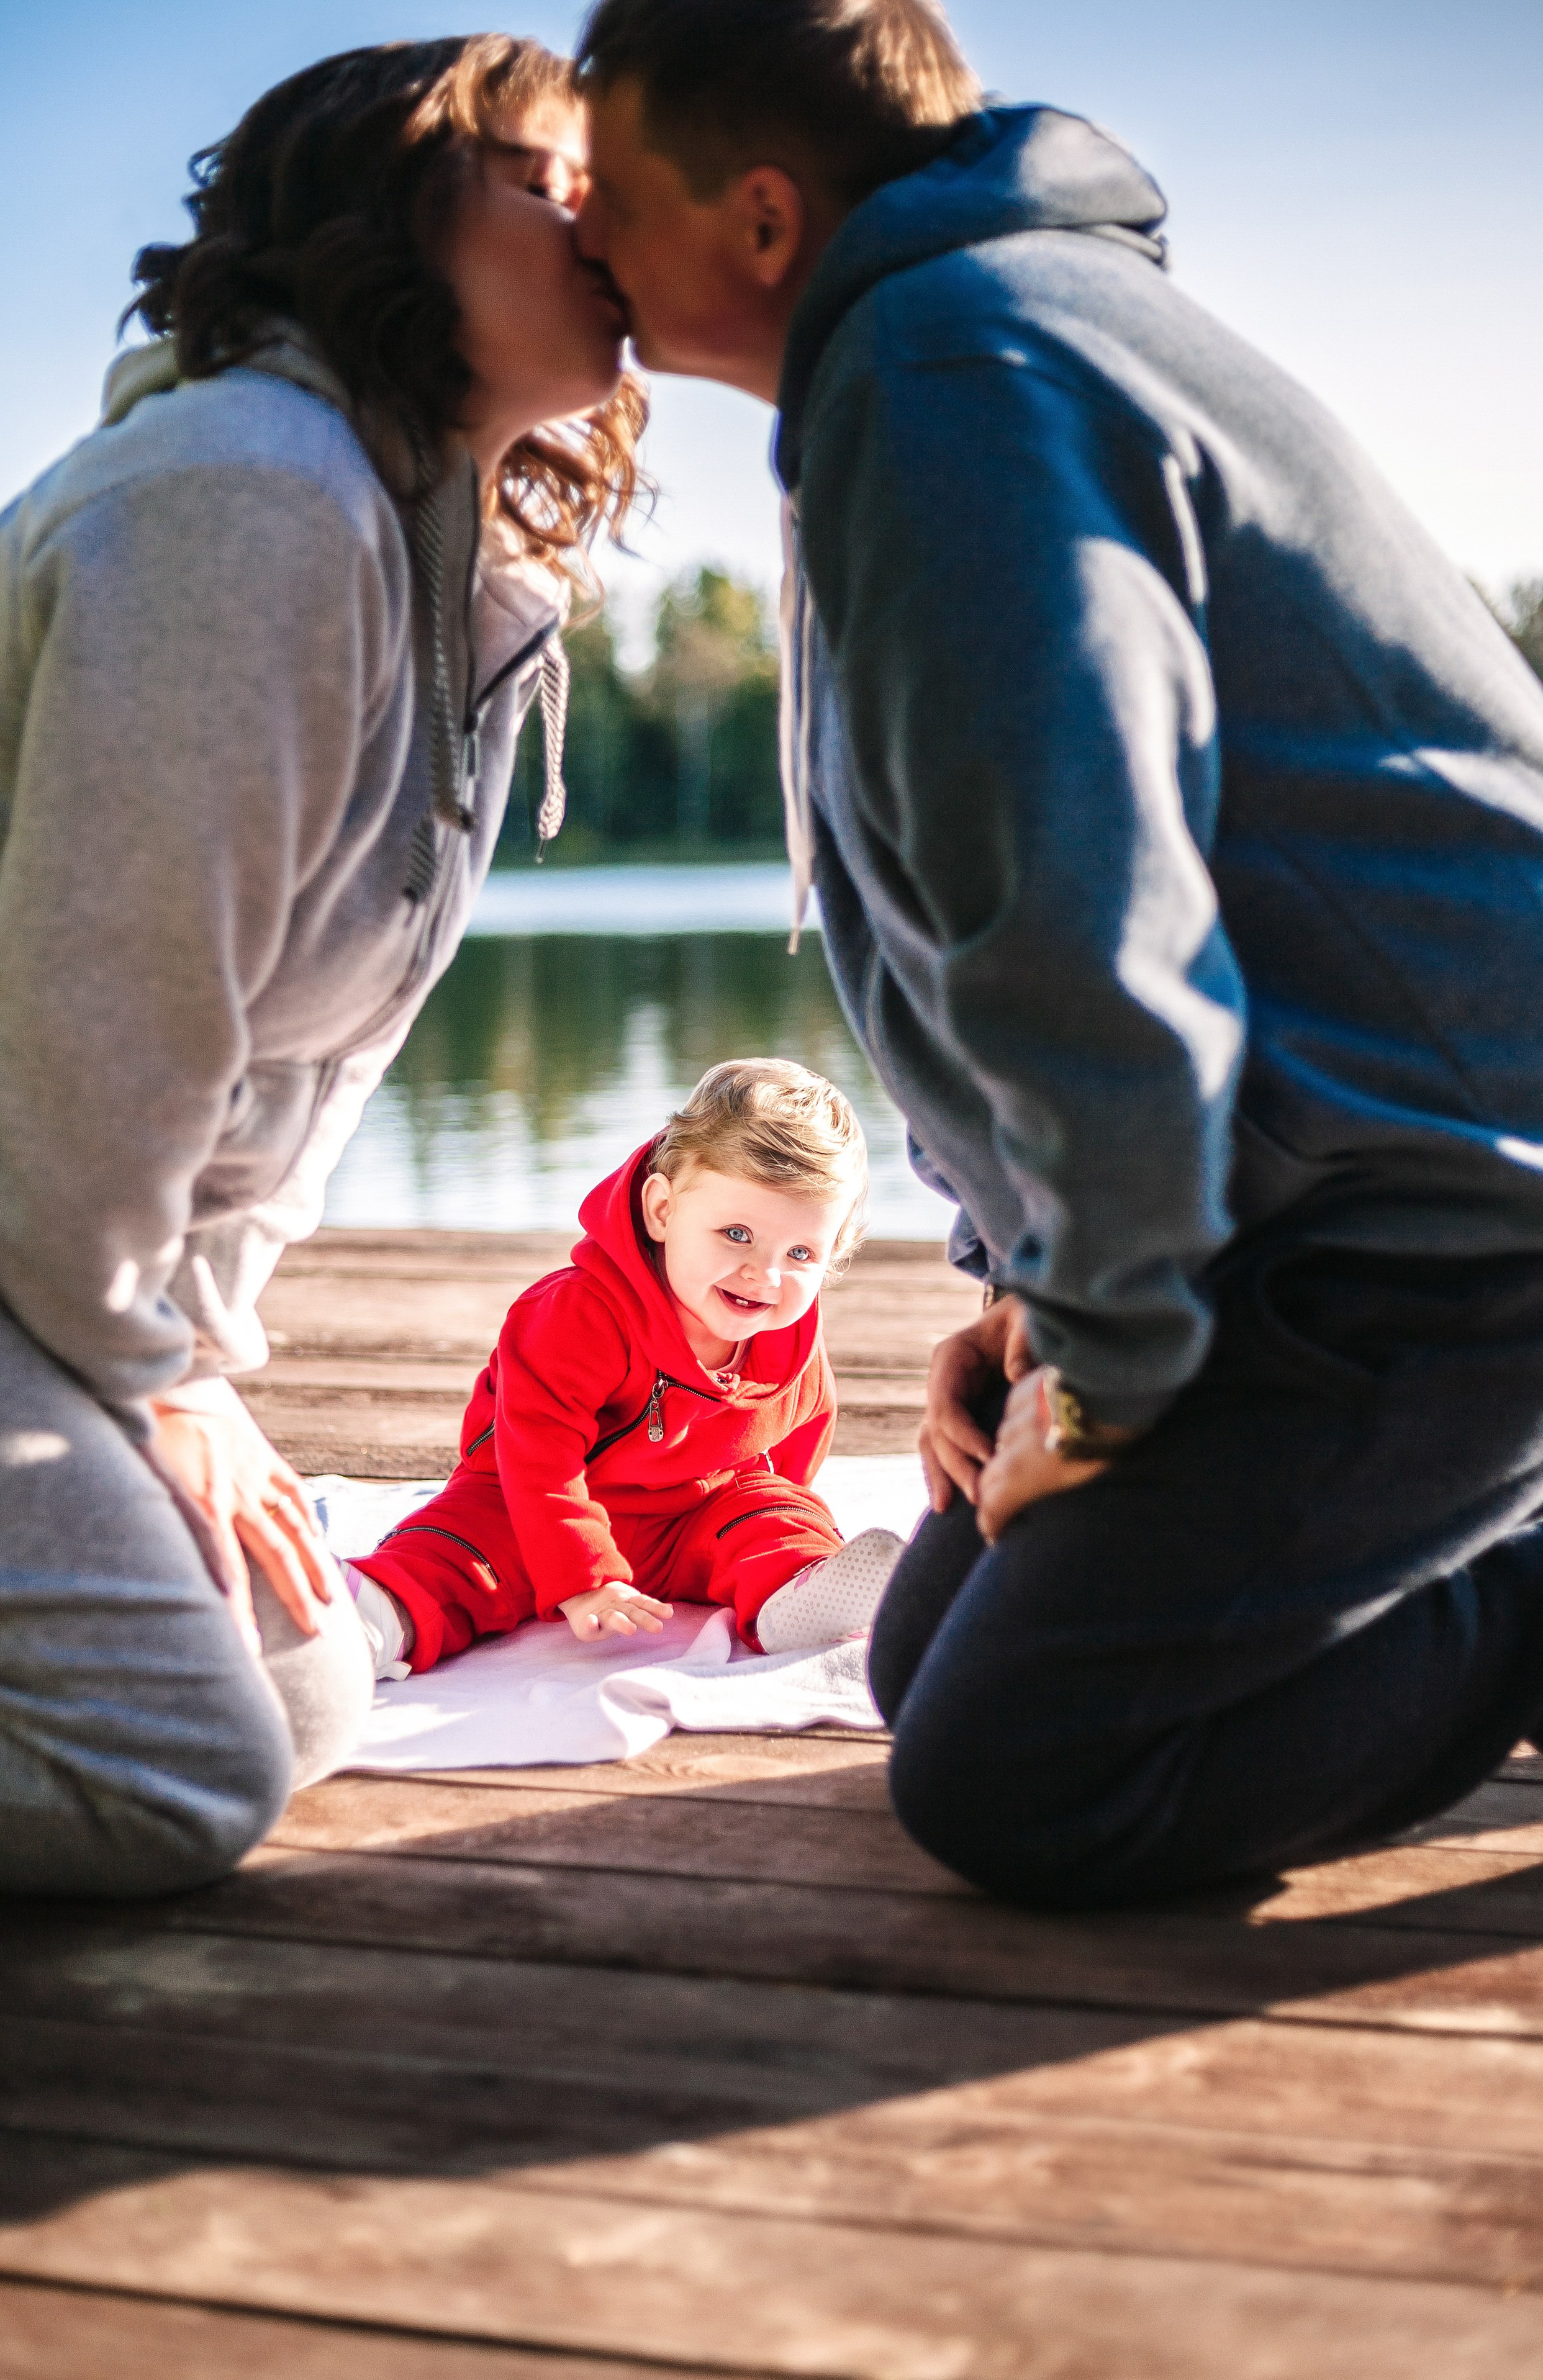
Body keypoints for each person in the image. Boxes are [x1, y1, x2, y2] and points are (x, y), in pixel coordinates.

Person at [572, 0, 1543, 1908]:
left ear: (761, 220)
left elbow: (1084, 926)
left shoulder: (950, 368)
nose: (577, 232)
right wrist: (1033, 1286)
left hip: (1452, 1231)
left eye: (608, 191)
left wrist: (1107, 1368)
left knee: (1025, 1780)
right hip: (1308, 1204)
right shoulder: (947, 338)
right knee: (929, 1661)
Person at [0, 34, 647, 1896]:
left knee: (307, 1697)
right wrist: (147, 1375)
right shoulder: (244, 496)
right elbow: (105, 1044)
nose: (608, 221)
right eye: (548, 178)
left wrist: (188, 1363)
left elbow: (279, 1084)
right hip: (11, 1225)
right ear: (386, 208)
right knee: (163, 1772)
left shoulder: (462, 571)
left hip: (27, 1245)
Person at [348, 1059, 903, 1670]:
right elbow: (539, 1455)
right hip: (534, 1504)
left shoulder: (788, 1341)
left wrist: (772, 1507)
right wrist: (583, 1576)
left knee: (771, 1517)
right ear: (662, 1211)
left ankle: (794, 1594)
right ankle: (373, 1620)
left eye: (800, 1253)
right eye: (736, 1234)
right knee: (460, 1553)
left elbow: (799, 1438)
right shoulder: (577, 1313)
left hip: (691, 1516)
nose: (764, 1274)